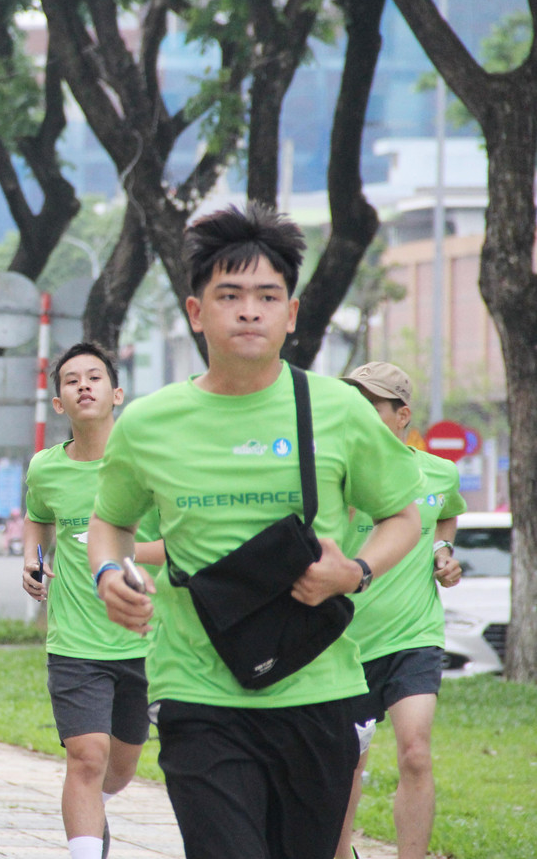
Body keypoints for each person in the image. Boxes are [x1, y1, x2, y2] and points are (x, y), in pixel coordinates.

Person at [87, 204, 424, 859]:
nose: (249, 310)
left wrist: (352, 572)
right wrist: (109, 572)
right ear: (195, 312)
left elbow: (402, 515)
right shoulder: (150, 423)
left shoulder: (337, 408)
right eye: (230, 295)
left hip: (317, 690)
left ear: (290, 315)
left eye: (267, 296)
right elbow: (110, 521)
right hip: (197, 693)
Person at [21, 342, 163, 859]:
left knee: (119, 768)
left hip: (144, 640)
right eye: (71, 380)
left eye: (95, 377)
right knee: (86, 755)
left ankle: (95, 804)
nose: (83, 385)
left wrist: (117, 548)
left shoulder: (149, 467)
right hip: (75, 641)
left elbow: (182, 543)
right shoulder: (45, 468)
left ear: (116, 393)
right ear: (58, 402)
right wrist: (33, 559)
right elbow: (38, 515)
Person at [333, 363, 466, 859]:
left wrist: (442, 553)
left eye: (370, 405)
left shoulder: (438, 471)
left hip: (413, 637)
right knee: (345, 765)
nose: (358, 415)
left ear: (401, 415)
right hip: (345, 643)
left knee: (415, 752)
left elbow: (447, 512)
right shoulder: (334, 475)